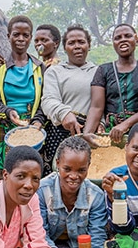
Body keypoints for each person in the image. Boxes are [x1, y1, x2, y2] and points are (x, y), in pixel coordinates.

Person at [37, 136, 108, 248]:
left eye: (81, 170)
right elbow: (39, 234)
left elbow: (96, 240)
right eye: (67, 169)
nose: (74, 176)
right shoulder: (41, 191)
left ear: (88, 168)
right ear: (58, 163)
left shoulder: (96, 196)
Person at [0, 15, 47, 183]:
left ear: (30, 38)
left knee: (29, 179)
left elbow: (45, 100)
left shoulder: (39, 67)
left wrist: (37, 122)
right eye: (16, 34)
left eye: (25, 35)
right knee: (6, 180)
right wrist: (8, 112)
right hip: (5, 133)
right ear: (9, 36)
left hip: (33, 133)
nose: (21, 39)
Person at [83, 24, 138, 145]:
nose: (123, 39)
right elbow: (96, 107)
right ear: (113, 43)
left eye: (128, 36)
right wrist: (87, 133)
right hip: (112, 136)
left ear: (136, 41)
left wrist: (125, 124)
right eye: (118, 37)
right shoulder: (103, 70)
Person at [41, 25, 97, 172]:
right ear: (64, 47)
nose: (77, 46)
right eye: (71, 43)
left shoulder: (98, 71)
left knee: (88, 175)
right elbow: (48, 100)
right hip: (61, 132)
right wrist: (64, 113)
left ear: (89, 45)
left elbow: (102, 102)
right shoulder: (55, 71)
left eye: (81, 42)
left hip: (91, 132)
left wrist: (102, 121)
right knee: (61, 177)